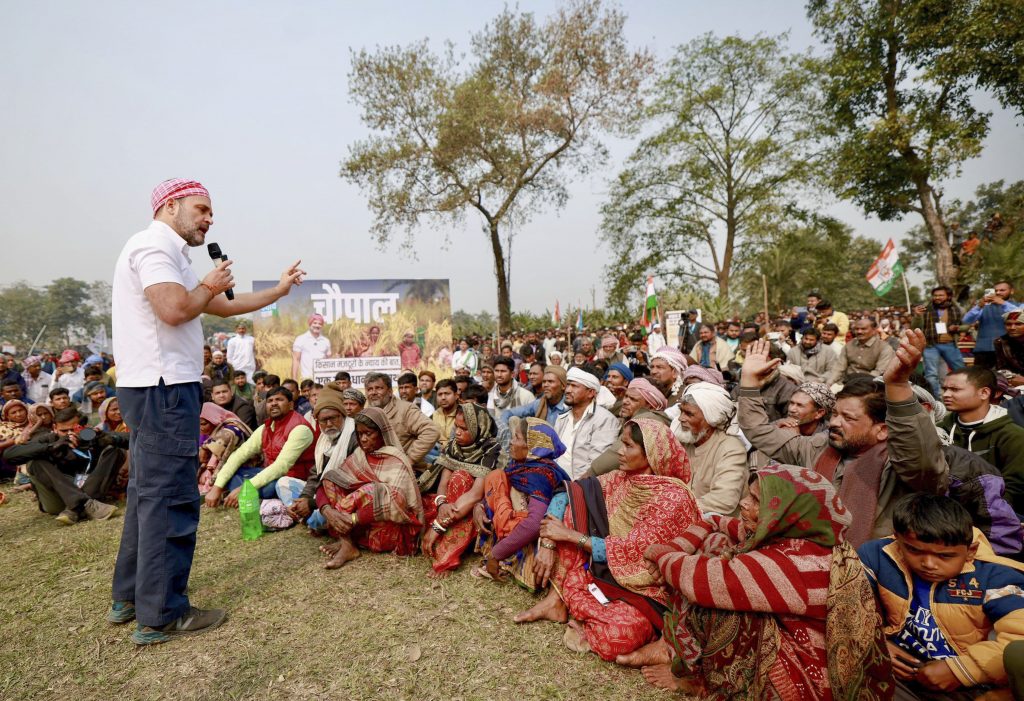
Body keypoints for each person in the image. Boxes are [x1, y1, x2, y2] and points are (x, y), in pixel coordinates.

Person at [110, 178, 303, 645]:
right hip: (164, 389)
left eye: (211, 211)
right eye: (201, 209)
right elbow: (175, 309)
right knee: (170, 499)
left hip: (152, 388)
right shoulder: (155, 247)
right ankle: (161, 614)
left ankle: (131, 597)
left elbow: (221, 307)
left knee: (146, 495)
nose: (209, 219)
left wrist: (278, 291)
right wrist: (207, 283)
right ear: (170, 205)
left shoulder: (171, 254)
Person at [642, 465, 893, 698]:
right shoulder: (807, 541)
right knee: (719, 543)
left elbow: (701, 581)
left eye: (755, 500)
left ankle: (703, 682)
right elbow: (720, 523)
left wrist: (660, 555)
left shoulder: (798, 564)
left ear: (788, 514)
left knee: (723, 605)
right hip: (808, 657)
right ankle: (677, 655)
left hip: (810, 685)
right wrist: (681, 544)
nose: (743, 503)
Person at [514, 417, 701, 664]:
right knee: (572, 510)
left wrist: (570, 536)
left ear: (652, 454)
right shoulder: (620, 478)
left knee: (621, 635)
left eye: (628, 446)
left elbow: (637, 552)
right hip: (605, 572)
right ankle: (556, 600)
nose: (620, 452)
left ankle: (581, 609)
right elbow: (567, 491)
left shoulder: (673, 498)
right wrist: (549, 541)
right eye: (621, 444)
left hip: (646, 588)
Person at [738, 333, 949, 546]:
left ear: (882, 430)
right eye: (835, 414)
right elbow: (759, 431)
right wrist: (749, 382)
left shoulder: (898, 464)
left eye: (848, 418)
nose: (834, 423)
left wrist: (897, 386)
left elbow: (921, 460)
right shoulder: (817, 447)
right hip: (812, 557)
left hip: (869, 563)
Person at [858, 494, 1024, 700]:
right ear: (897, 539)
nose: (928, 563)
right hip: (900, 674)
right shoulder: (877, 556)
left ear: (970, 551)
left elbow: (1019, 641)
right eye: (914, 550)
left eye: (945, 555)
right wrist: (875, 643)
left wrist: (961, 670)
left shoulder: (997, 577)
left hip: (971, 683)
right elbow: (845, 607)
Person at [314, 407, 425, 570]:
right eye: (360, 434)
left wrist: (353, 519)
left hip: (390, 530)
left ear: (381, 433)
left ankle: (346, 540)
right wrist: (328, 511)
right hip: (359, 525)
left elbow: (398, 504)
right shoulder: (359, 455)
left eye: (368, 433)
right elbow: (325, 483)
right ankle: (347, 543)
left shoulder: (395, 459)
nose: (363, 439)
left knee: (373, 490)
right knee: (332, 478)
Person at [474, 417, 570, 589]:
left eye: (517, 438)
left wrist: (496, 555)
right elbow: (501, 489)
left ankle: (508, 559)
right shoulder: (520, 466)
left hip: (531, 535)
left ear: (533, 447)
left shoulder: (541, 475)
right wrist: (480, 506)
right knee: (497, 477)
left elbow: (534, 524)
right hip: (514, 524)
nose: (511, 442)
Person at [3, 406, 126, 525]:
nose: (69, 434)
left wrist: (111, 438)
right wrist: (51, 447)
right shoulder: (49, 439)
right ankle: (82, 503)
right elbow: (9, 454)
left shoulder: (91, 436)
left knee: (115, 450)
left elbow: (132, 439)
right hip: (58, 498)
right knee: (35, 462)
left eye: (74, 429)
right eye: (64, 431)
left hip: (92, 491)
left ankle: (76, 508)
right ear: (55, 428)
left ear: (84, 427)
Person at [422, 402, 502, 578]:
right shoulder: (454, 445)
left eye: (464, 429)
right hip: (453, 506)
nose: (457, 432)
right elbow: (443, 482)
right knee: (423, 502)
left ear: (478, 429)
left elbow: (475, 495)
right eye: (456, 427)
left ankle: (448, 556)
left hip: (477, 507)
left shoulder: (490, 449)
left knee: (461, 477)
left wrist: (438, 525)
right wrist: (442, 504)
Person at [205, 386, 315, 506]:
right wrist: (217, 487)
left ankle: (246, 495)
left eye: (279, 399)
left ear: (291, 405)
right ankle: (246, 495)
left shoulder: (300, 428)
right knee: (233, 473)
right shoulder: (265, 428)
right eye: (270, 401)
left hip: (291, 480)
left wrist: (245, 487)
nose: (274, 403)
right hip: (271, 475)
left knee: (269, 488)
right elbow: (240, 455)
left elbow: (281, 467)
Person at [938, 367, 1024, 515]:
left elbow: (1014, 488)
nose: (946, 394)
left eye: (955, 389)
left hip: (994, 517)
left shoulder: (1013, 435)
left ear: (984, 393)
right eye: (945, 389)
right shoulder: (940, 430)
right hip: (941, 514)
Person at [286, 382, 360, 531]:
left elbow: (350, 483)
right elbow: (316, 473)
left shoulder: (355, 437)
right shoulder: (324, 440)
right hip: (322, 494)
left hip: (347, 496)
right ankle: (302, 511)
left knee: (318, 517)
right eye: (323, 420)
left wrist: (312, 504)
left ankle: (311, 517)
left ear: (343, 415)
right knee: (282, 483)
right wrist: (305, 497)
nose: (329, 424)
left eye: (333, 418)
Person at [672, 382, 747, 516]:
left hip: (715, 522)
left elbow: (724, 500)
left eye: (689, 414)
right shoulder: (682, 442)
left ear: (710, 418)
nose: (681, 418)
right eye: (681, 411)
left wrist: (677, 509)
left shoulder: (731, 449)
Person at [363, 372, 440, 480]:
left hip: (405, 471)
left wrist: (410, 459)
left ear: (390, 391)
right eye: (370, 389)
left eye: (379, 388)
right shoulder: (366, 413)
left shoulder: (405, 409)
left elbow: (431, 431)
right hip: (375, 468)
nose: (374, 392)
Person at [552, 367, 619, 480]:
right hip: (556, 481)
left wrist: (575, 486)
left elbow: (597, 464)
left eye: (574, 386)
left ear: (591, 393)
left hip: (583, 485)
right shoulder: (562, 418)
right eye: (568, 385)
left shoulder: (605, 420)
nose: (568, 390)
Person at [914, 286, 967, 398]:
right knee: (931, 374)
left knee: (961, 371)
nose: (937, 297)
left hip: (950, 344)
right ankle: (936, 400)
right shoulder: (926, 309)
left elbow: (967, 326)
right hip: (931, 345)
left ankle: (963, 395)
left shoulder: (957, 310)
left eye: (941, 295)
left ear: (948, 296)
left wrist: (957, 328)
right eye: (935, 295)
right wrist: (917, 316)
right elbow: (915, 327)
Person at [196, 402, 254, 497]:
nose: (200, 428)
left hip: (244, 471)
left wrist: (204, 448)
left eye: (203, 424)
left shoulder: (232, 429)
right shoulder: (211, 431)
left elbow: (225, 437)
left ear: (215, 419)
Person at [963, 281, 1019, 370]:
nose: (998, 293)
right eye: (996, 290)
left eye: (1002, 290)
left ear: (1011, 291)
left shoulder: (1019, 306)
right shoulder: (983, 307)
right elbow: (966, 320)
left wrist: (1003, 303)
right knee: (980, 376)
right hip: (984, 349)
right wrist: (978, 306)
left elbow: (1019, 315)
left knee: (1009, 376)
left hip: (1009, 350)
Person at [827, 316, 896, 387]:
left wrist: (860, 384)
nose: (859, 332)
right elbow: (839, 367)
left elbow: (879, 371)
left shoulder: (884, 348)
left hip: (870, 385)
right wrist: (829, 383)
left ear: (874, 330)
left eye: (863, 329)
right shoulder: (849, 345)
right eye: (857, 329)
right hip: (847, 382)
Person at [291, 313, 331, 381]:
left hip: (322, 379)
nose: (317, 325)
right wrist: (294, 379)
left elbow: (328, 361)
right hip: (306, 379)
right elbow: (296, 360)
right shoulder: (300, 339)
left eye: (320, 324)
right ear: (310, 324)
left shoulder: (326, 341)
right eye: (315, 323)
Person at [430, 379, 460, 450]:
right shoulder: (434, 415)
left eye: (447, 394)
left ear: (456, 395)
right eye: (440, 394)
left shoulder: (463, 414)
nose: (443, 398)